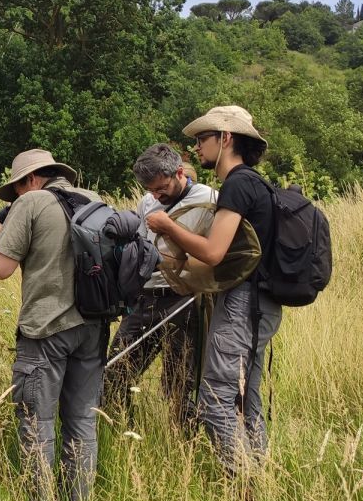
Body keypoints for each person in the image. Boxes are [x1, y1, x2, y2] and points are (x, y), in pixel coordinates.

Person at [146, 106, 282, 475]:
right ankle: (257, 479)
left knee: (216, 400)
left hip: (242, 304)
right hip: (260, 304)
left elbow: (213, 252)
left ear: (226, 139)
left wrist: (167, 228)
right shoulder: (257, 182)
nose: (195, 148)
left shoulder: (238, 183)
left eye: (202, 139)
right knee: (245, 399)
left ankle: (241, 486)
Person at [0, 149, 107, 501]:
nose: (17, 198)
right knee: (83, 421)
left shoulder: (32, 202)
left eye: (17, 189)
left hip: (46, 329)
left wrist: (3, 233)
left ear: (30, 179)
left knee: (36, 423)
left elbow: (2, 268)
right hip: (94, 327)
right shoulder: (96, 200)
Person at [107, 143, 216, 432]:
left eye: (161, 188)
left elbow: (212, 255)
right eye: (151, 190)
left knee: (180, 382)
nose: (156, 195)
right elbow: (141, 246)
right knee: (117, 370)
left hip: (185, 299)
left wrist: (168, 227)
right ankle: (121, 434)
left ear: (179, 172)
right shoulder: (147, 202)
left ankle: (183, 445)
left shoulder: (208, 200)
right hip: (146, 297)